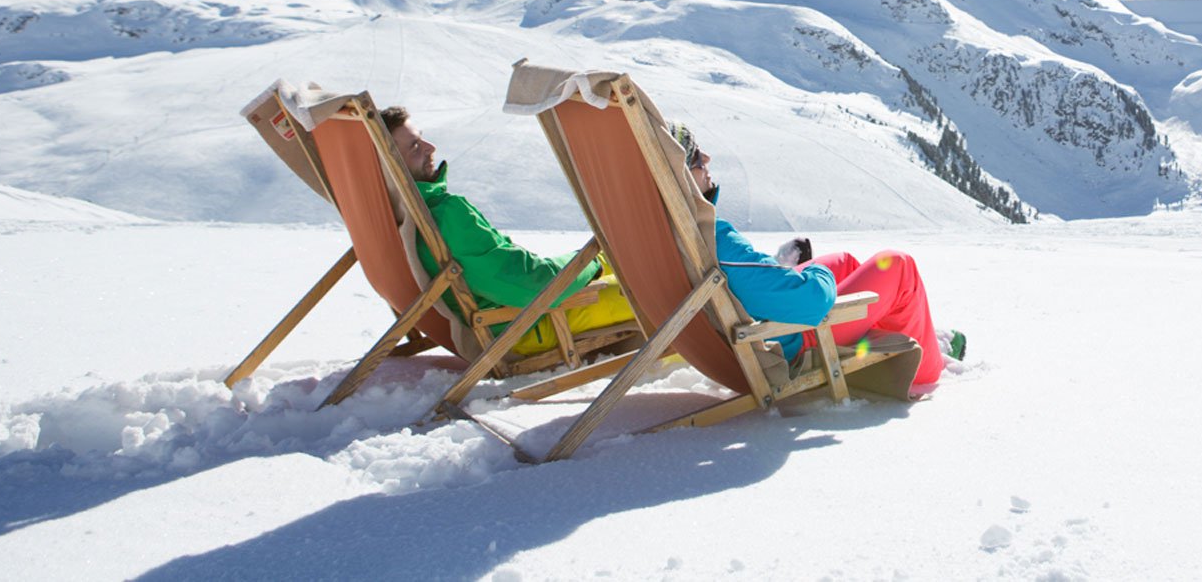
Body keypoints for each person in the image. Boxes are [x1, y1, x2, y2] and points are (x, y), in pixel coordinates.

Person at [678, 126, 965, 389]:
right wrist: (817, 276)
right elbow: (812, 301)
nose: (706, 157)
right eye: (695, 157)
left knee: (845, 263)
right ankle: (928, 366)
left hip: (766, 326)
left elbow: (749, 282)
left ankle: (902, 336)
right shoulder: (714, 240)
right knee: (899, 268)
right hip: (793, 339)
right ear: (680, 177)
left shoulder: (679, 231)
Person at [380, 106, 638, 357]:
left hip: (509, 311)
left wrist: (597, 261)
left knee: (619, 259)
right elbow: (533, 286)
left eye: (422, 139)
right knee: (660, 289)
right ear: (390, 168)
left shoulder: (394, 216)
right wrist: (592, 265)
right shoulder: (445, 215)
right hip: (523, 325)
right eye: (414, 147)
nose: (431, 148)